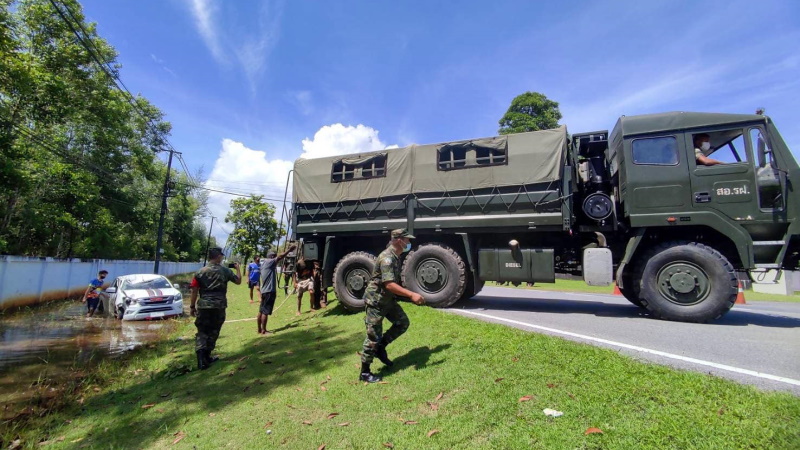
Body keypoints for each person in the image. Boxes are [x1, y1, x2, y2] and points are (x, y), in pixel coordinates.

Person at [360, 229, 426, 383]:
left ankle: (381, 347)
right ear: (398, 240)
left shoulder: (396, 256)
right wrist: (411, 295)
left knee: (402, 322)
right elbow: (389, 285)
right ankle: (364, 372)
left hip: (387, 300)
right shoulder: (387, 258)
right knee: (373, 336)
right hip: (375, 301)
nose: (409, 243)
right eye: (407, 240)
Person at [189, 247, 241, 370]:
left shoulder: (199, 272)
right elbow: (238, 281)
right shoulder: (225, 271)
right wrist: (238, 269)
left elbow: (194, 290)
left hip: (203, 305)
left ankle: (202, 359)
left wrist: (192, 306)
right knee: (214, 330)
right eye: (221, 256)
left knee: (202, 331)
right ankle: (207, 355)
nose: (222, 258)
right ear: (218, 256)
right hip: (219, 305)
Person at [258, 245, 297, 335]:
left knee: (261, 310)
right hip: (269, 291)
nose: (276, 259)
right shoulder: (270, 262)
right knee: (265, 311)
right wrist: (289, 250)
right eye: (274, 256)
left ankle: (259, 329)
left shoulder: (263, 264)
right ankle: (264, 330)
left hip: (263, 291)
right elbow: (280, 257)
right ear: (272, 257)